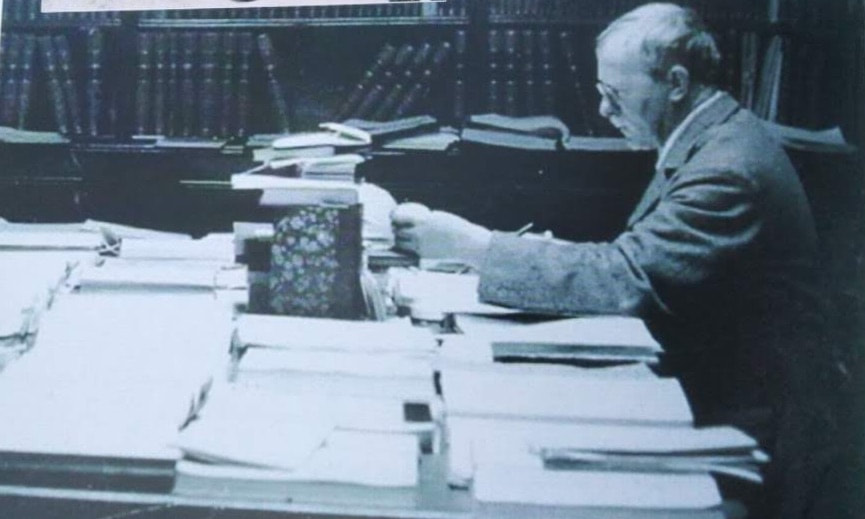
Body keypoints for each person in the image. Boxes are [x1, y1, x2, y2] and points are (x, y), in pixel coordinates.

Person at [391, 3, 843, 518]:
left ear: (675, 82)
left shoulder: (727, 169)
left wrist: (472, 246)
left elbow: (629, 279)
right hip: (717, 390)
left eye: (615, 95)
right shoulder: (710, 137)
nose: (604, 111)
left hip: (750, 426)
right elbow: (643, 260)